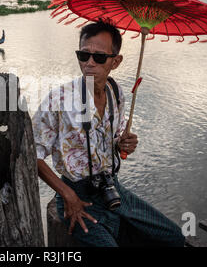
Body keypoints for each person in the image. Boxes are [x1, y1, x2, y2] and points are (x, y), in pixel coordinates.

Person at [32, 22, 185, 247]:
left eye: (99, 57)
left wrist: (124, 143)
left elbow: (113, 142)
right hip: (77, 196)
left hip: (111, 189)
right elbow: (31, 155)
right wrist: (68, 195)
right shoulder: (60, 99)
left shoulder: (116, 92)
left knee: (173, 236)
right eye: (83, 55)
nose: (89, 63)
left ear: (116, 61)